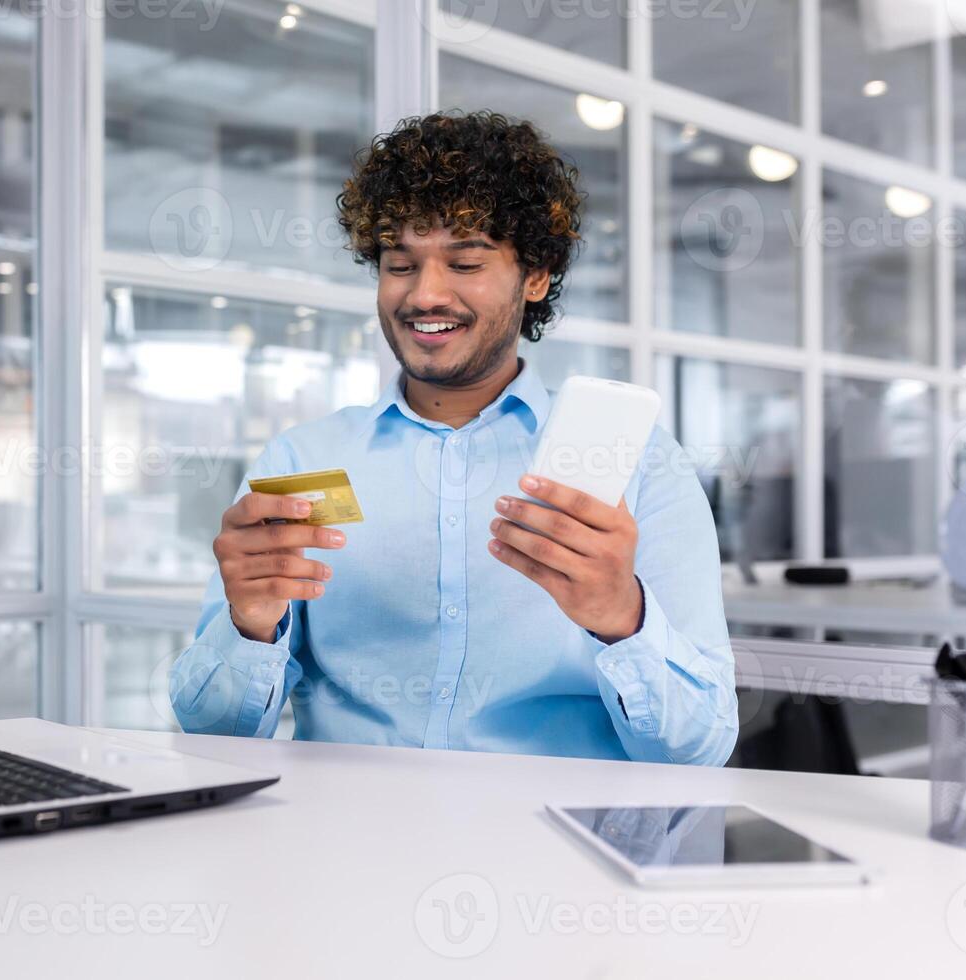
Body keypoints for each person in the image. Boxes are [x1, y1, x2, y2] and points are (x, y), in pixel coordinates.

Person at [169, 110, 737, 765]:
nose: (424, 294)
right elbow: (214, 739)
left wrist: (621, 617)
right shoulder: (306, 461)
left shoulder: (639, 463)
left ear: (536, 275)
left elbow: (700, 750)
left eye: (465, 262)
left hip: (557, 853)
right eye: (399, 264)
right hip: (345, 848)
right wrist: (248, 625)